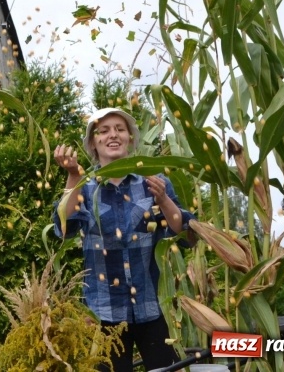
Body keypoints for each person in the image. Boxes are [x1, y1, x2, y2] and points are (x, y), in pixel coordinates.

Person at [52, 107, 195, 372]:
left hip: (153, 306)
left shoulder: (153, 181)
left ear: (131, 137)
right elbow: (64, 227)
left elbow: (183, 231)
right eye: (103, 131)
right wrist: (73, 175)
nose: (112, 135)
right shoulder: (85, 186)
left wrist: (163, 199)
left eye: (120, 129)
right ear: (93, 143)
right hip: (102, 314)